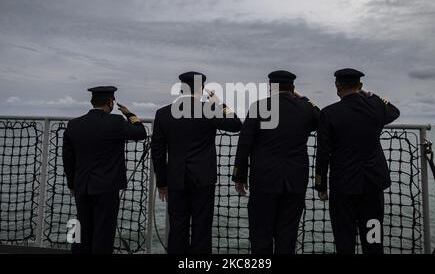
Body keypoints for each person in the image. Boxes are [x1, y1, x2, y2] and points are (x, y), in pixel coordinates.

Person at [151, 72, 242, 254]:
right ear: (201, 88)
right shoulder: (209, 110)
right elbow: (236, 124)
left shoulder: (162, 114)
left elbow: (158, 153)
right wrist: (219, 103)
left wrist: (162, 183)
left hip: (176, 178)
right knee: (202, 229)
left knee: (177, 228)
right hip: (203, 178)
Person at [232, 70, 320, 254]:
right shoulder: (305, 109)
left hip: (264, 180)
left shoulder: (259, 107)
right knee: (288, 234)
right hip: (295, 181)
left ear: (270, 87)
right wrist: (303, 98)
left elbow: (244, 144)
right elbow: (321, 120)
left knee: (260, 234)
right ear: (293, 88)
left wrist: (239, 176)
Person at [315, 68, 400, 254]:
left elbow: (323, 153)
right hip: (373, 185)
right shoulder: (376, 108)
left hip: (343, 186)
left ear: (337, 87)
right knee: (373, 237)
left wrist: (320, 186)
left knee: (344, 238)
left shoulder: (329, 113)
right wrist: (371, 95)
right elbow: (394, 111)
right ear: (360, 86)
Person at [63, 86, 147, 254]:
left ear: (92, 102)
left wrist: (72, 184)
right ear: (110, 102)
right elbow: (140, 132)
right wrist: (129, 114)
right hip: (106, 188)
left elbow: (68, 159)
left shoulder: (74, 125)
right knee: (103, 231)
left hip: (81, 187)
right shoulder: (115, 122)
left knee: (81, 228)